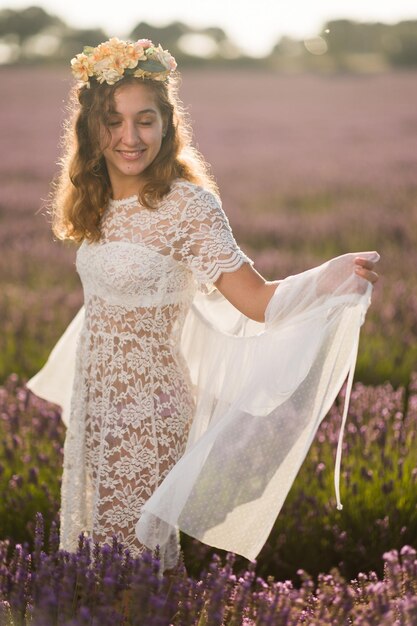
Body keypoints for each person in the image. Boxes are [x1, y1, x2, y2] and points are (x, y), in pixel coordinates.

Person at [27, 37, 379, 572]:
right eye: (112, 121)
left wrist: (326, 278)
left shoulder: (188, 206)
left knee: (132, 559)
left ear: (167, 124)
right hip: (96, 404)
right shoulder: (96, 198)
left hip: (148, 410)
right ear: (90, 127)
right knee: (102, 553)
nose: (129, 137)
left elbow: (256, 300)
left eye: (145, 120)